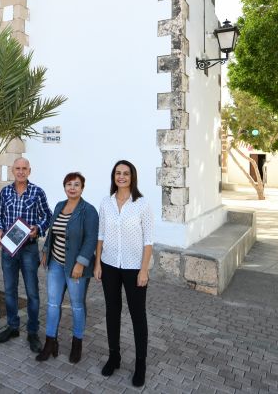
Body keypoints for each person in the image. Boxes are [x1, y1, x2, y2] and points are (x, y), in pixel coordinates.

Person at [94, 159, 154, 387]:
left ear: (132, 177)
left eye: (125, 173)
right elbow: (100, 235)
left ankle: (140, 364)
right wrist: (97, 263)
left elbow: (148, 241)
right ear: (113, 177)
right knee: (112, 312)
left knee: (138, 316)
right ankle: (114, 356)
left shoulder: (142, 204)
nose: (121, 177)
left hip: (133, 268)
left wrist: (144, 270)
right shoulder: (105, 202)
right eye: (118, 173)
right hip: (109, 265)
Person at [36, 172, 99, 364]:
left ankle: (76, 344)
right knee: (52, 303)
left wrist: (81, 263)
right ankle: (50, 342)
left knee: (77, 305)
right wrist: (46, 249)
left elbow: (91, 239)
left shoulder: (88, 210)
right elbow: (52, 232)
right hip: (56, 263)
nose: (72, 188)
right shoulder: (59, 205)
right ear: (64, 187)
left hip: (75, 267)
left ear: (82, 188)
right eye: (69, 184)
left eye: (76, 184)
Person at [0, 157, 51, 353]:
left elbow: (47, 216)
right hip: (9, 249)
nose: (20, 171)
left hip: (29, 248)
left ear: (29, 171)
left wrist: (38, 229)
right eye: (17, 168)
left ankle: (32, 331)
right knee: (10, 290)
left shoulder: (37, 192)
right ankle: (13, 327)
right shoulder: (5, 192)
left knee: (32, 292)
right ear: (12, 170)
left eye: (24, 168)